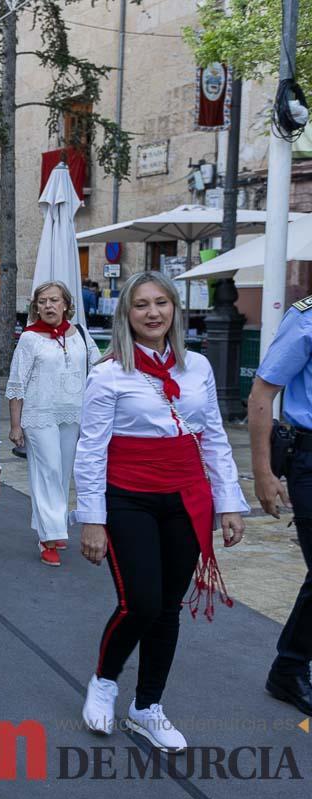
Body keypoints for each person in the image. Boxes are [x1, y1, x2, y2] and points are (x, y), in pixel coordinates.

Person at [74, 270, 246, 752]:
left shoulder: (199, 367)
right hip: (127, 497)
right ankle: (104, 680)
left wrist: (229, 503)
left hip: (187, 497)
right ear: (126, 314)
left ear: (175, 308)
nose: (153, 313)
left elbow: (213, 436)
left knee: (168, 607)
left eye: (161, 303)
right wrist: (92, 519)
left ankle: (147, 706)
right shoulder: (108, 373)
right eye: (141, 305)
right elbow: (91, 450)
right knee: (141, 602)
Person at [246, 296, 312, 716]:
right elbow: (262, 392)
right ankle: (289, 668)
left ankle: (292, 664)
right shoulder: (306, 318)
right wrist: (263, 472)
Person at [6, 281, 100, 566]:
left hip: (72, 413)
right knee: (48, 471)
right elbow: (17, 382)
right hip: (39, 414)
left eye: (54, 300)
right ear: (36, 307)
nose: (48, 306)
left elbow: (98, 367)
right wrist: (15, 424)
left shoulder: (80, 333)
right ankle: (49, 537)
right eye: (42, 301)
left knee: (62, 473)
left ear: (65, 304)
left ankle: (53, 525)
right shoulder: (29, 338)